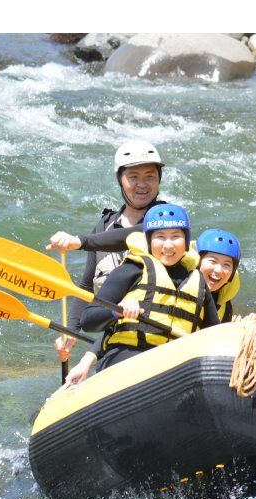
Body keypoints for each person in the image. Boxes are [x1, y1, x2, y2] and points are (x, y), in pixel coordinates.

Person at [47, 140, 166, 370]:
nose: (142, 184)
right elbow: (86, 289)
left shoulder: (167, 226)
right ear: (120, 180)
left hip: (149, 338)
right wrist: (70, 333)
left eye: (150, 176)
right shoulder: (104, 227)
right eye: (133, 177)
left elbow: (132, 235)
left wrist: (81, 242)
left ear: (159, 179)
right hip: (111, 337)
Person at [70, 204, 220, 375]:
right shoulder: (131, 270)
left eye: (176, 236)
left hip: (176, 364)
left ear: (185, 241)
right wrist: (116, 312)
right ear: (149, 241)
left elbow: (213, 334)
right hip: (128, 357)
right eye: (160, 236)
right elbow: (88, 320)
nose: (169, 245)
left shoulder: (198, 282)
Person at [195, 229, 242, 323]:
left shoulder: (224, 304)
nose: (218, 270)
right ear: (197, 262)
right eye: (213, 261)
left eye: (226, 265)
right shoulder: (178, 287)